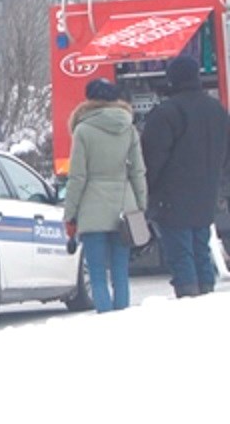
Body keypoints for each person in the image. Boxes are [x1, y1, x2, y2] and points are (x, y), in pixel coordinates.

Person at [141, 55, 230, 297]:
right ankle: (206, 298)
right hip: (206, 197)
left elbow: (152, 159)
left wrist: (146, 191)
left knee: (181, 257)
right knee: (201, 252)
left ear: (173, 79)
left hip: (172, 199)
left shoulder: (166, 113)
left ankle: (189, 302)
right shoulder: (218, 112)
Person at [62, 78, 148, 312]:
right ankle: (122, 320)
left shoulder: (82, 130)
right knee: (121, 273)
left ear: (89, 99)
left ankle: (105, 323)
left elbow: (77, 177)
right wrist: (141, 205)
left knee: (98, 275)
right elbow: (138, 171)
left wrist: (70, 214)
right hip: (125, 207)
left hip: (92, 212)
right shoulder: (128, 128)